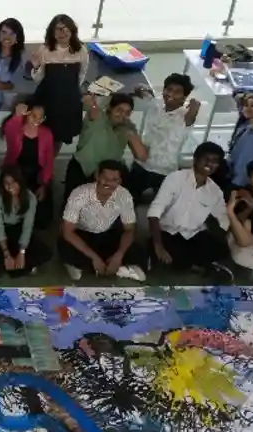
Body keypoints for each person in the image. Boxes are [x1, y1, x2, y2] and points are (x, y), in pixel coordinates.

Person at [147, 142, 232, 282]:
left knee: (222, 249)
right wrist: (158, 246)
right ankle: (196, 265)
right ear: (195, 159)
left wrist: (217, 234)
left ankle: (191, 264)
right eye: (206, 159)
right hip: (168, 232)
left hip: (193, 234)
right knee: (170, 251)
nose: (209, 164)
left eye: (215, 161)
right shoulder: (175, 178)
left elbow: (224, 223)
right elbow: (154, 212)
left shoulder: (215, 191)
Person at [58, 160, 146, 281]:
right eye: (105, 178)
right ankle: (110, 267)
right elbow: (68, 232)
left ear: (120, 181)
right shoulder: (79, 193)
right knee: (65, 247)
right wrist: (94, 257)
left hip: (106, 235)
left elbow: (129, 229)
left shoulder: (124, 195)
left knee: (137, 250)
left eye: (114, 180)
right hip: (82, 235)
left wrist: (118, 255)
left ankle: (101, 266)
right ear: (97, 176)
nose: (108, 183)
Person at [128, 75, 200, 203]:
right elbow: (138, 88)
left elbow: (193, 112)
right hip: (142, 164)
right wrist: (144, 88)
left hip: (164, 171)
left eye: (177, 92)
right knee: (129, 199)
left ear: (184, 97)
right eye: (169, 89)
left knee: (161, 205)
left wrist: (195, 105)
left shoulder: (185, 117)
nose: (171, 94)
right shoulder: (155, 103)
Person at [64, 93, 146, 202]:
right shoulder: (98, 117)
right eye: (119, 110)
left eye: (127, 113)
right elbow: (92, 107)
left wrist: (130, 133)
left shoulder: (128, 127)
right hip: (83, 169)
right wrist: (91, 101)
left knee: (126, 199)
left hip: (109, 172)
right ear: (110, 108)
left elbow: (141, 156)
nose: (122, 115)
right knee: (73, 204)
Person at [31, 14, 89, 149]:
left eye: (66, 29)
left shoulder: (81, 50)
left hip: (69, 101)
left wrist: (69, 90)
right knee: (42, 135)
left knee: (59, 137)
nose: (62, 33)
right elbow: (38, 79)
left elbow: (81, 75)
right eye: (58, 29)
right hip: (49, 98)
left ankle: (50, 160)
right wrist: (36, 66)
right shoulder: (45, 49)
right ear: (52, 32)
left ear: (72, 30)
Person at [0, 166, 50, 279]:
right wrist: (6, 253)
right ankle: (15, 266)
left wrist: (22, 252)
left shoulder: (30, 198)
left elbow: (28, 226)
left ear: (20, 182)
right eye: (6, 183)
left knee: (40, 251)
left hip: (19, 229)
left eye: (14, 182)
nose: (10, 186)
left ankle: (13, 265)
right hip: (3, 230)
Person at [0, 97, 55, 229]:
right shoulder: (16, 129)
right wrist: (17, 116)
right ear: (27, 114)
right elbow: (9, 130)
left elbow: (49, 161)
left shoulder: (47, 134)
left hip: (36, 175)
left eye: (41, 117)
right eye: (34, 116)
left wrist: (44, 184)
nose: (37, 120)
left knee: (42, 220)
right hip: (15, 173)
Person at [223, 94, 253, 191]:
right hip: (234, 175)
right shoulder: (243, 127)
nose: (248, 108)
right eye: (246, 105)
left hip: (245, 181)